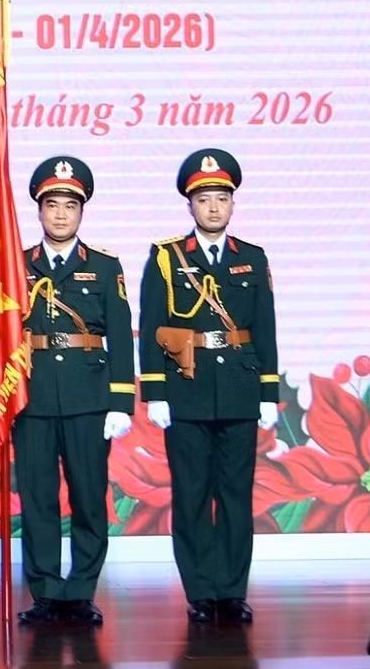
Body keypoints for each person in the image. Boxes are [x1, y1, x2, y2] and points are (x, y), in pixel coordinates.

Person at [138, 149, 278, 626]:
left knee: (237, 494)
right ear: (189, 205)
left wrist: (268, 392)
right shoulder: (166, 258)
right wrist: (155, 391)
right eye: (204, 199)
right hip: (187, 388)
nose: (214, 208)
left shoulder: (252, 258)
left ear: (233, 204)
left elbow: (265, 328)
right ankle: (200, 589)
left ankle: (232, 590)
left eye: (222, 198)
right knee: (193, 493)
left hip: (239, 387)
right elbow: (153, 324)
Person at [14, 156, 136, 627]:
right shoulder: (16, 267)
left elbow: (122, 336)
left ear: (82, 211)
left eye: (70, 205)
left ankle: (82, 589)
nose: (61, 214)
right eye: (52, 205)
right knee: (39, 498)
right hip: (34, 397)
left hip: (89, 398)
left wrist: (121, 400)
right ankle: (44, 590)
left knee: (88, 496)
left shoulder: (105, 267)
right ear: (39, 211)